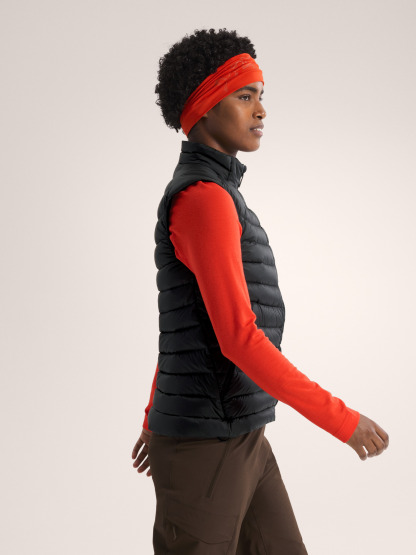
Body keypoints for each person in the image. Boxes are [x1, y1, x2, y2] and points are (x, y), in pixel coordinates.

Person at [131, 28, 389, 554]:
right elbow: (238, 338)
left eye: (260, 95)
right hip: (205, 445)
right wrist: (343, 421)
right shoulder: (204, 200)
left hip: (240, 433)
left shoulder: (221, 195)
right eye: (245, 96)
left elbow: (186, 323)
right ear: (205, 107)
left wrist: (154, 411)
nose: (261, 110)